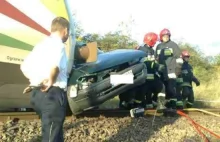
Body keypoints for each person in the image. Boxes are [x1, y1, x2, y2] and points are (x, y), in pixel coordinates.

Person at [21, 17, 70, 142]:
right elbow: (55, 66)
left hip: (37, 95)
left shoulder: (40, 45)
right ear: (65, 30)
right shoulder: (58, 45)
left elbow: (24, 67)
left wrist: (35, 80)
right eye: (68, 32)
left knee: (55, 133)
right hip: (52, 94)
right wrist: (50, 81)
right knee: (51, 137)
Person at [135, 32, 166, 110]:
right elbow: (145, 62)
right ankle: (137, 106)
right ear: (151, 40)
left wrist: (158, 69)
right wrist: (157, 66)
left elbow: (153, 62)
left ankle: (161, 105)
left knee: (161, 87)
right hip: (143, 76)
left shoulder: (151, 50)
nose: (155, 43)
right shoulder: (142, 50)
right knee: (142, 92)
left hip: (152, 75)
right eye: (155, 41)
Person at [155, 28, 183, 109]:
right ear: (161, 37)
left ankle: (172, 106)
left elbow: (179, 58)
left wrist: (177, 69)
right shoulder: (158, 46)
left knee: (171, 89)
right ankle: (162, 105)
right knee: (162, 89)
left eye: (167, 35)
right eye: (164, 36)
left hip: (171, 71)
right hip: (161, 72)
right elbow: (156, 59)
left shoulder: (173, 45)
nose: (166, 37)